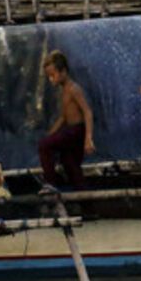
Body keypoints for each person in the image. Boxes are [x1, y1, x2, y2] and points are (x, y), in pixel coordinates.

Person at [38, 50, 95, 191]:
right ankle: (84, 196)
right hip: (70, 130)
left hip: (77, 130)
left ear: (63, 71)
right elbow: (63, 117)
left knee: (44, 145)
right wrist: (51, 133)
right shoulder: (63, 91)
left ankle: (50, 183)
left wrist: (88, 139)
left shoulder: (73, 89)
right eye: (49, 76)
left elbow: (87, 112)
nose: (51, 79)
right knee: (69, 163)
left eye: (53, 75)